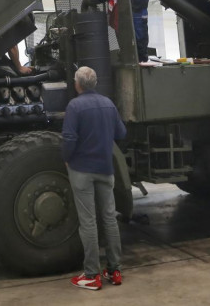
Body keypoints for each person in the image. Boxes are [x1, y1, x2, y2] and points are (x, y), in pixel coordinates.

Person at [62, 66, 127, 290]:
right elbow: (121, 134)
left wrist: (67, 158)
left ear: (78, 84)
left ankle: (91, 274)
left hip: (82, 170)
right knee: (110, 218)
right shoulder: (108, 104)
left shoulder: (74, 106)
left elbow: (69, 138)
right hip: (105, 169)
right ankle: (115, 270)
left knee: (88, 222)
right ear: (95, 83)